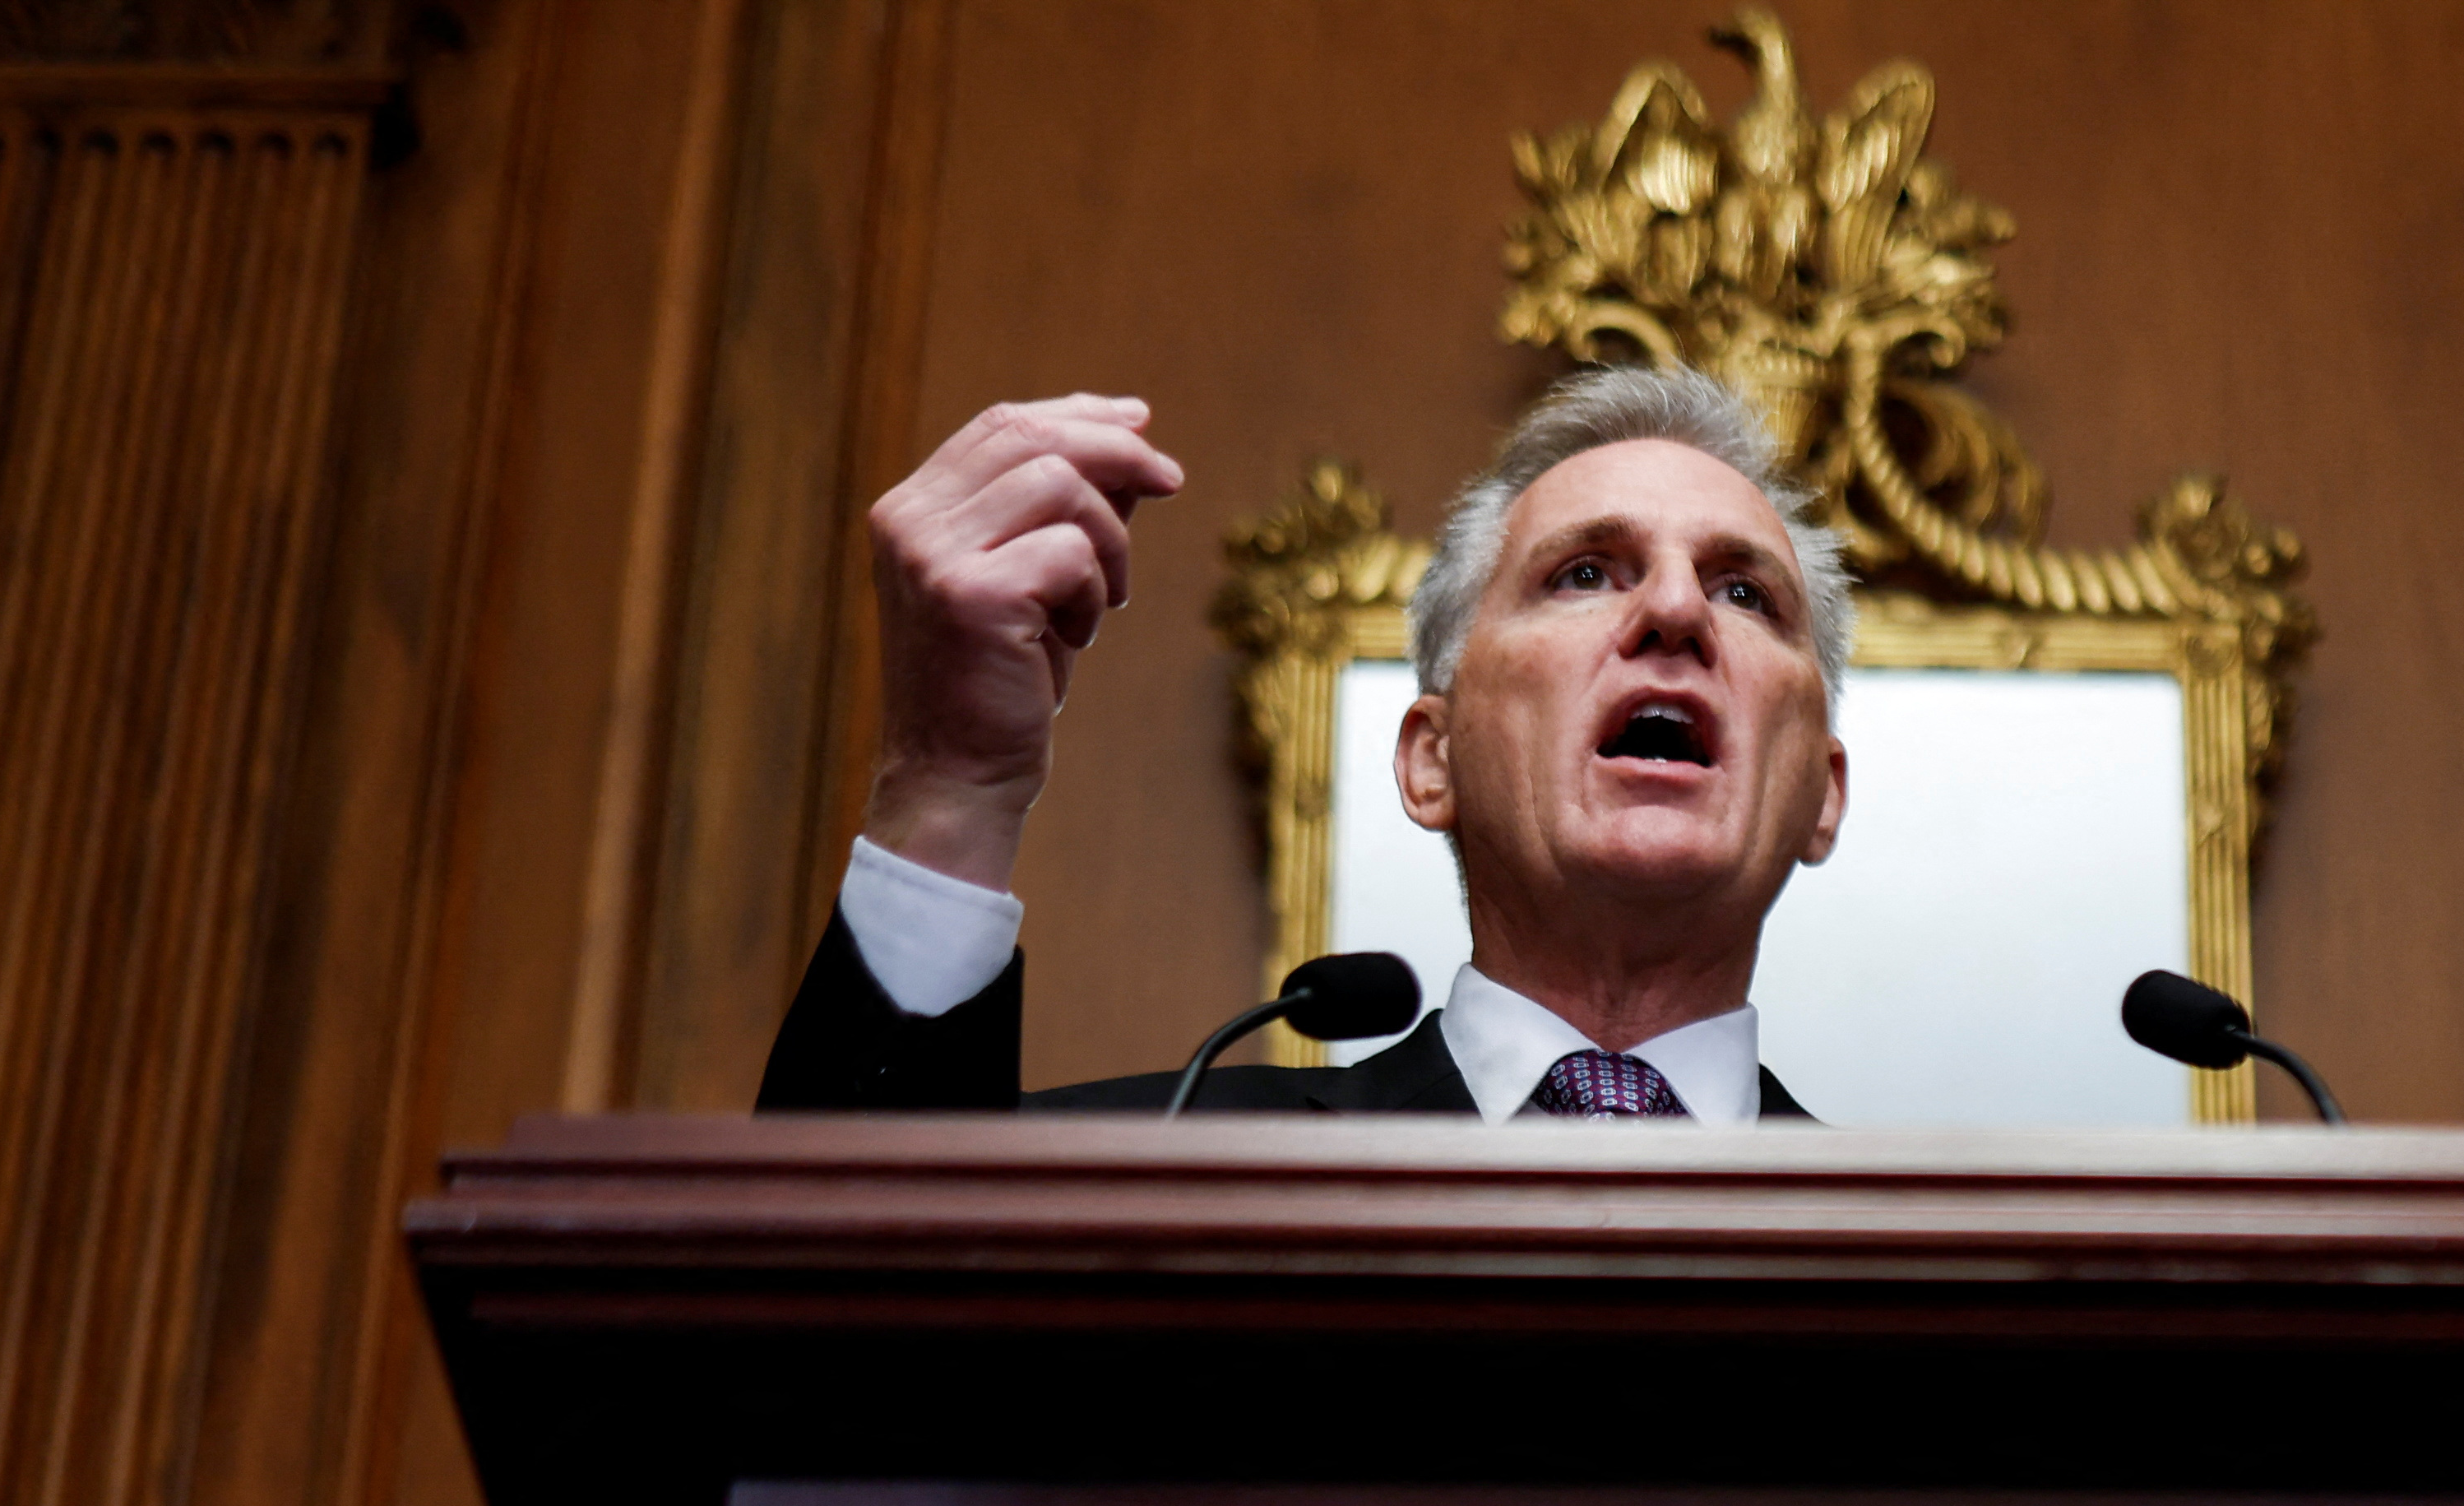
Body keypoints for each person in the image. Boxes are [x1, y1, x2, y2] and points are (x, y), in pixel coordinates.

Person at [755, 365, 1850, 1119]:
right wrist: (952, 785)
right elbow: (799, 1397)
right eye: (1582, 574)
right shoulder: (1147, 1184)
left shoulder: (1965, 1281)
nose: (1675, 613)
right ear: (1431, 757)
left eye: (1745, 592)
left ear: (1821, 796)